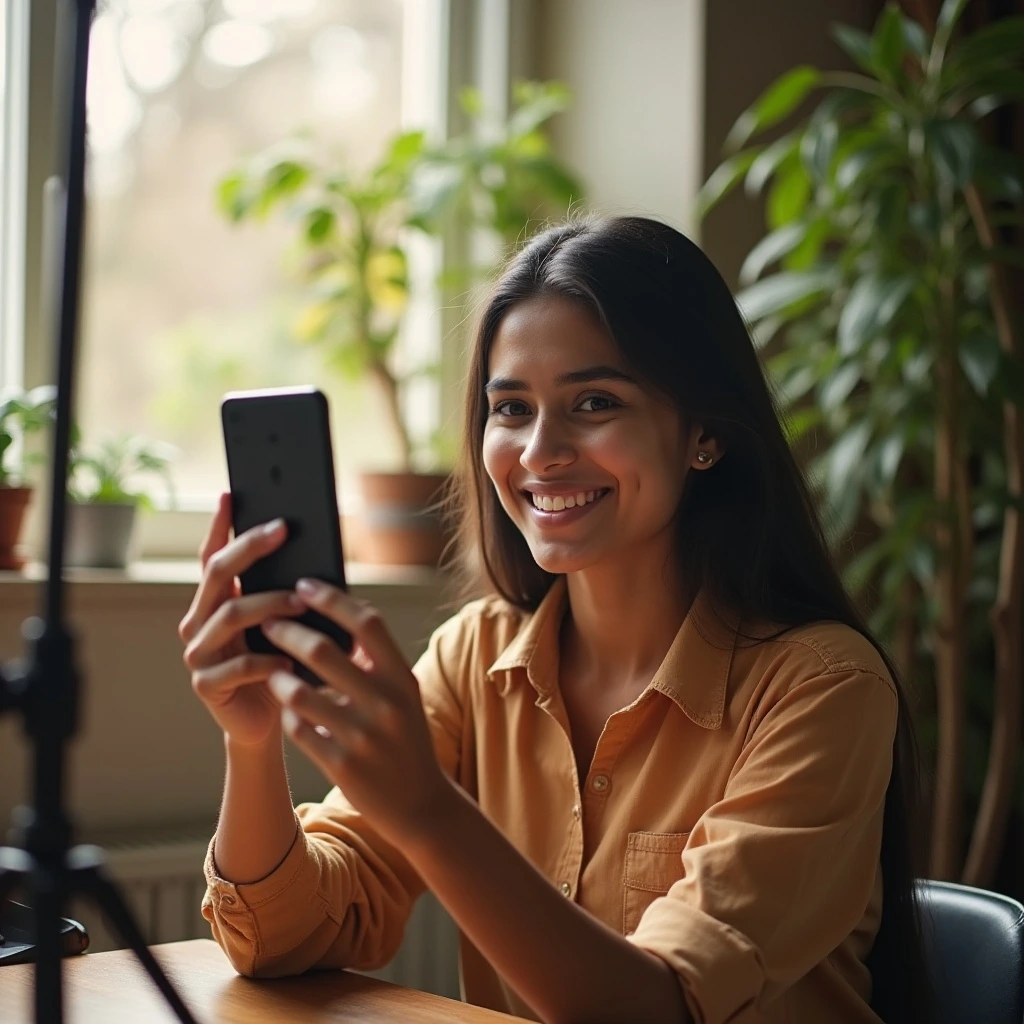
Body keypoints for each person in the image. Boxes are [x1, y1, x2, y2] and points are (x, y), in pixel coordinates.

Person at [179, 216, 929, 1024]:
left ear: (704, 433)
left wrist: (431, 811)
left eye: (594, 402)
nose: (540, 451)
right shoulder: (477, 655)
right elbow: (283, 940)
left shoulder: (823, 687)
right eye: (511, 409)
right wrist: (250, 740)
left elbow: (654, 1009)